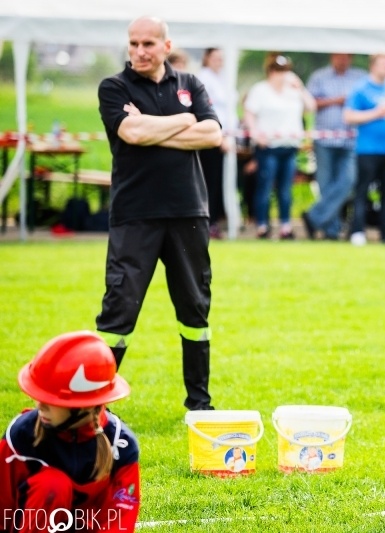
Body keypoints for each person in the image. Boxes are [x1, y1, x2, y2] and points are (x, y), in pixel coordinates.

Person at [96, 16, 222, 411]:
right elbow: (131, 134)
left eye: (148, 44)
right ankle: (96, 402)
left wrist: (157, 126)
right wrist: (184, 122)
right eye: (133, 43)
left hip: (188, 212)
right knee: (120, 306)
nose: (139, 51)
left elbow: (213, 134)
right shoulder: (114, 87)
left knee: (194, 307)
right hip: (136, 214)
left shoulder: (190, 85)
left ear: (166, 46)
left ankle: (199, 404)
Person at [0, 331, 140, 532]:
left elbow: (120, 521)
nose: (40, 406)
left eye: (50, 400)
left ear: (82, 406)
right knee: (52, 485)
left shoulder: (121, 445)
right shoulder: (21, 436)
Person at [244, 53, 316, 239]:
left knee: (285, 190)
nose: (281, 74)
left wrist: (300, 87)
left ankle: (285, 226)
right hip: (268, 147)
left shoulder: (293, 91)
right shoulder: (260, 90)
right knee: (265, 187)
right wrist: (255, 133)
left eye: (284, 70)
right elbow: (249, 113)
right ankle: (262, 225)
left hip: (289, 146)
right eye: (277, 70)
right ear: (270, 71)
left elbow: (311, 107)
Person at [343, 53, 385, 247]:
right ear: (373, 65)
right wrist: (375, 113)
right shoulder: (361, 89)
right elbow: (348, 116)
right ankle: (357, 231)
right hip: (367, 150)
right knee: (362, 191)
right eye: (384, 63)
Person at [302, 54, 367, 241]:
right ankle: (331, 230)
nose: (343, 60)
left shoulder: (359, 77)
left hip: (350, 140)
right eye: (340, 57)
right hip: (324, 140)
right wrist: (335, 101)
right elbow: (310, 104)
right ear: (332, 57)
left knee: (347, 181)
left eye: (347, 57)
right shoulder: (319, 77)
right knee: (326, 184)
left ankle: (314, 217)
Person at [197, 48, 238, 239]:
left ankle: (214, 220)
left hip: (225, 137)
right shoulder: (204, 78)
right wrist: (220, 136)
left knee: (219, 182)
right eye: (215, 58)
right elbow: (208, 109)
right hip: (211, 137)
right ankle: (208, 221)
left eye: (221, 58)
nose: (219, 61)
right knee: (209, 182)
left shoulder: (223, 78)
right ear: (207, 58)